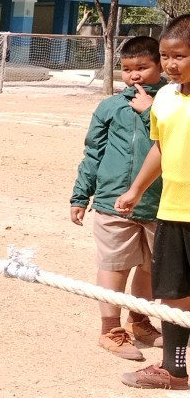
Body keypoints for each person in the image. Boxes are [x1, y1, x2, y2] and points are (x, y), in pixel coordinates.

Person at [71, 35, 166, 360]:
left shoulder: (173, 103)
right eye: (127, 69)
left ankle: (140, 321)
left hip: (160, 203)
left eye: (142, 67)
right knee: (114, 265)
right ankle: (110, 329)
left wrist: (150, 112)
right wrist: (81, 195)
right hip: (113, 202)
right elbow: (93, 154)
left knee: (152, 268)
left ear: (160, 65)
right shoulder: (109, 107)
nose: (134, 75)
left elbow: (174, 141)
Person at [115, 17, 190, 390]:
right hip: (172, 212)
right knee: (173, 293)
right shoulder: (165, 98)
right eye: (165, 56)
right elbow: (160, 148)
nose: (171, 64)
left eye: (180, 56)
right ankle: (174, 370)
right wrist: (136, 190)